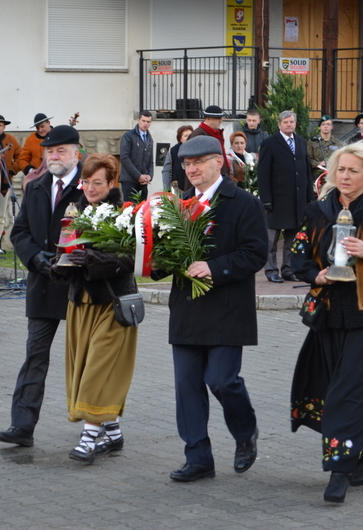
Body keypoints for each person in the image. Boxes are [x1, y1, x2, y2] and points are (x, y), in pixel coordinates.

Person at [290, 143, 363, 503]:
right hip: (329, 314)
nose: (344, 176)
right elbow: (299, 258)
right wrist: (319, 276)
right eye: (340, 170)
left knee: (351, 391)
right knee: (335, 387)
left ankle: (339, 469)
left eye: (353, 171)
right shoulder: (318, 210)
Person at [151, 135, 268, 483]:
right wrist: (150, 260)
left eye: (198, 162)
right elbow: (166, 256)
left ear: (218, 161)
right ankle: (198, 457)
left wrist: (214, 268)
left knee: (222, 381)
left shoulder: (243, 202)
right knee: (187, 387)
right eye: (187, 164)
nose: (191, 169)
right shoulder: (179, 204)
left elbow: (255, 253)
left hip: (228, 310)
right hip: (187, 310)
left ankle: (245, 432)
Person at [0, 124, 84, 448]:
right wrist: (36, 258)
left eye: (61, 150)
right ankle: (22, 426)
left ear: (77, 152)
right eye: (49, 151)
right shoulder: (35, 186)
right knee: (35, 354)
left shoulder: (90, 186)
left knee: (87, 360)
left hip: (81, 287)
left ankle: (103, 426)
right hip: (44, 283)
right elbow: (18, 233)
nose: (54, 156)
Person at [49, 153, 138, 463]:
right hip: (80, 303)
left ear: (112, 183)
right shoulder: (75, 212)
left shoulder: (125, 213)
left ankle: (90, 436)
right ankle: (112, 432)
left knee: (97, 371)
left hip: (113, 305)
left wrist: (94, 261)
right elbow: (65, 252)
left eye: (97, 182)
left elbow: (129, 261)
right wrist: (60, 267)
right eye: (85, 181)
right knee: (82, 368)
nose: (89, 187)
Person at [258, 110, 313, 283]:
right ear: (279, 124)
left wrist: (309, 197)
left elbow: (306, 170)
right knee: (271, 240)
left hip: (296, 200)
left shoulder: (301, 142)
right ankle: (271, 270)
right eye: (286, 122)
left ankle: (289, 269)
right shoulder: (269, 143)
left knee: (292, 238)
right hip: (276, 200)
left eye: (292, 122)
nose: (289, 124)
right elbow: (263, 173)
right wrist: (266, 199)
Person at [0, 114, 21, 254]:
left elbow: (20, 155)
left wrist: (12, 170)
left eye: (0, 125)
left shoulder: (11, 140)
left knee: (0, 217)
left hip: (5, 183)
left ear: (4, 127)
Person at [119, 110, 154, 202]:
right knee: (130, 210)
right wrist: (138, 176)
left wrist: (150, 176)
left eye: (148, 121)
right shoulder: (128, 136)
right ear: (138, 120)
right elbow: (124, 158)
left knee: (142, 210)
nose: (145, 124)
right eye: (143, 121)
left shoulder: (149, 139)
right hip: (129, 180)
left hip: (143, 183)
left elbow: (150, 160)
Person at [188, 105, 230, 175]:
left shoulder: (217, 133)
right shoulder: (198, 135)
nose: (221, 121)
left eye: (221, 118)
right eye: (218, 118)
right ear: (208, 119)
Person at [16, 112, 53, 183]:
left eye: (42, 126)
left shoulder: (58, 135)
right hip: (38, 179)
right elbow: (22, 159)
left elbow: (76, 155)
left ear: (48, 123)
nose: (40, 130)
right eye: (37, 128)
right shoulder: (31, 139)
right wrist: (30, 170)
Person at [307, 115, 343, 182]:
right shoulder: (313, 142)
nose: (326, 126)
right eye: (323, 124)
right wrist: (319, 163)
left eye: (328, 124)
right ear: (320, 127)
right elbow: (308, 158)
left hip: (333, 177)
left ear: (331, 127)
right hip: (317, 177)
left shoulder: (338, 143)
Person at [161, 125, 192, 192]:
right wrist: (167, 190)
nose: (188, 138)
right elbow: (167, 170)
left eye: (190, 135)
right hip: (178, 189)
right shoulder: (173, 151)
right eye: (186, 136)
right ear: (180, 138)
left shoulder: (198, 150)